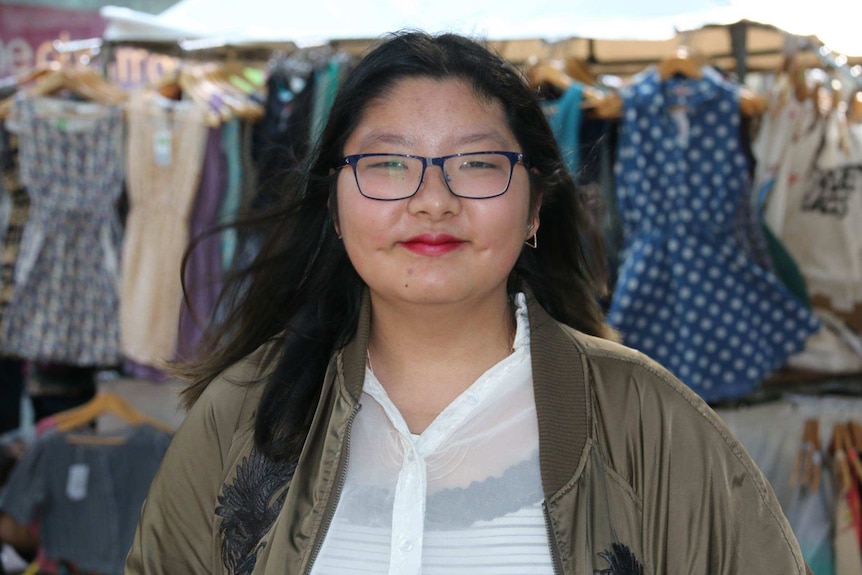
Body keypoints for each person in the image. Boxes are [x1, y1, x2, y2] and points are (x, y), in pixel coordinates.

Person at [126, 31, 811, 575]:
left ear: (536, 204)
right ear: (334, 206)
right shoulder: (242, 416)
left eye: (478, 163)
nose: (433, 200)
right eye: (388, 163)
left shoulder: (649, 422)